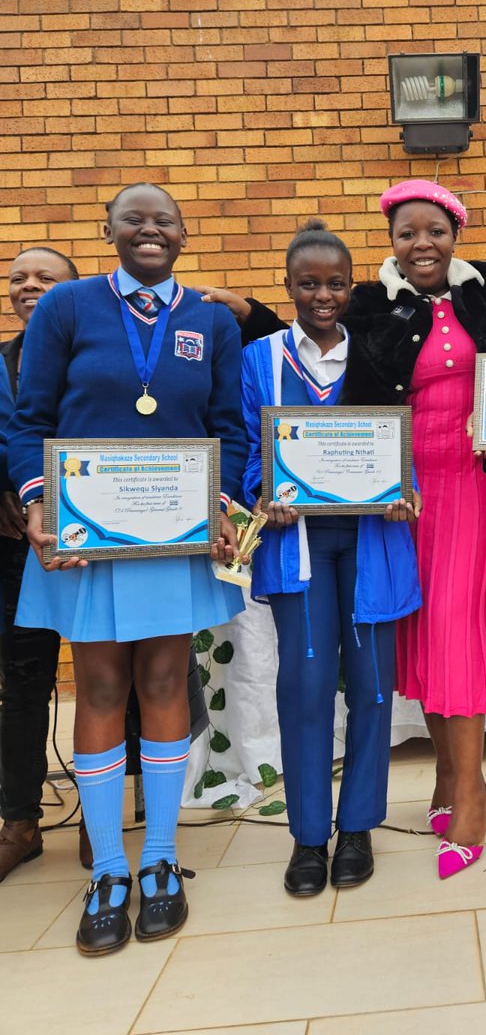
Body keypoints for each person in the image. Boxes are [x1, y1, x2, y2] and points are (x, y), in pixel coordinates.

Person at [203, 181, 486, 879]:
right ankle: (443, 775)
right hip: (394, 491)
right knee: (421, 625)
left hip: (470, 477)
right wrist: (249, 311)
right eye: (408, 234)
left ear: (455, 233)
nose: (422, 244)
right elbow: (315, 329)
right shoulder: (373, 301)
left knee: (456, 625)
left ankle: (471, 796)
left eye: (434, 230)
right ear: (393, 242)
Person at [5, 184, 248, 954]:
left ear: (183, 233)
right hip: (89, 534)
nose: (150, 230)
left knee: (167, 683)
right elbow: (29, 418)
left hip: (173, 536)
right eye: (134, 219)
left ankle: (163, 862)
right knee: (102, 684)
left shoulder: (208, 321)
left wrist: (223, 505)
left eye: (164, 220)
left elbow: (230, 429)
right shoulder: (68, 307)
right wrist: (38, 500)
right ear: (108, 230)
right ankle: (110, 867)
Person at [240, 220, 421, 897]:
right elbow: (243, 443)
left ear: (353, 286)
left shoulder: (377, 350)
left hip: (372, 539)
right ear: (287, 286)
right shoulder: (259, 359)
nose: (323, 295)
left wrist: (406, 492)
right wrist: (263, 493)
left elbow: (402, 443)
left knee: (372, 684)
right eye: (308, 283)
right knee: (307, 686)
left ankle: (360, 825)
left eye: (336, 283)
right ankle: (310, 835)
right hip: (300, 547)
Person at [0, 248, 88, 882]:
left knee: (113, 680)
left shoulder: (95, 355)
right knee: (23, 684)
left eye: (45, 278)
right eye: (17, 279)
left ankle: (105, 818)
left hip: (97, 543)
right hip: (14, 553)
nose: (29, 286)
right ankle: (19, 823)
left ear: (72, 292)